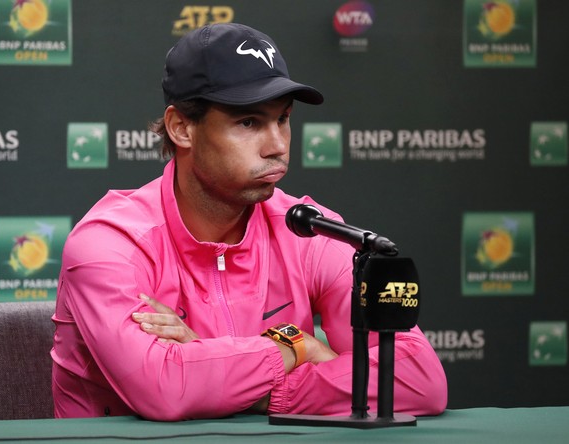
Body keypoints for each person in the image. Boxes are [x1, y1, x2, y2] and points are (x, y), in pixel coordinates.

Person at [51, 23, 447, 421]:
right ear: (182, 128)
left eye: (284, 119)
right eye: (249, 123)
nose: (277, 145)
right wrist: (298, 348)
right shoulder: (109, 243)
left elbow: (419, 380)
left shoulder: (307, 229)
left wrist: (224, 373)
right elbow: (166, 390)